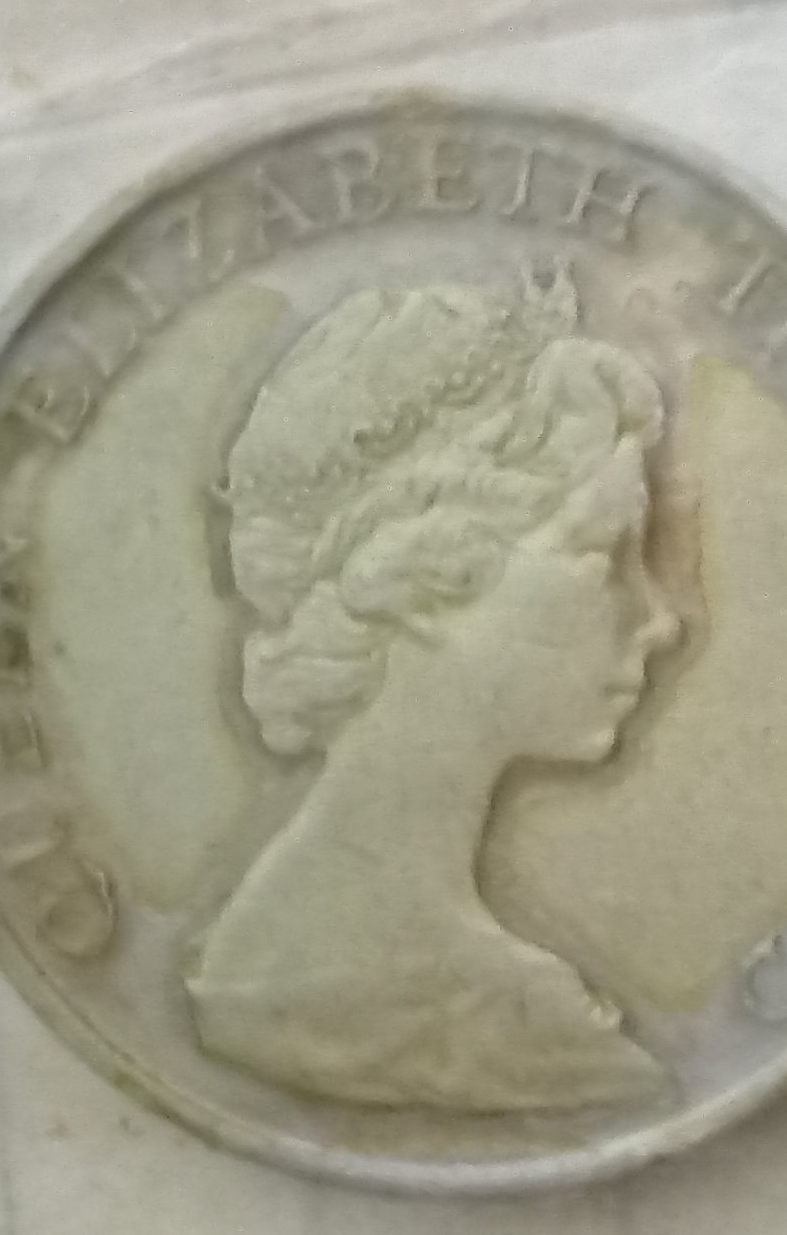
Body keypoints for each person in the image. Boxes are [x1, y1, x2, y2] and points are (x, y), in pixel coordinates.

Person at [189, 271, 681, 1111]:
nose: (659, 620)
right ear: (420, 576)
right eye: (604, 555)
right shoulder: (483, 1021)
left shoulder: (276, 955)